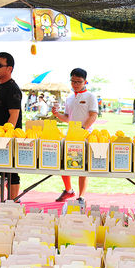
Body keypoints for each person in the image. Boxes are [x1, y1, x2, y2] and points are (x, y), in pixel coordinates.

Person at [52, 67, 98, 203]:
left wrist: (83, 130)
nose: (75, 84)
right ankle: (68, 190)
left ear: (85, 82)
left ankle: (81, 196)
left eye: (78, 82)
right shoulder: (69, 97)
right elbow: (67, 117)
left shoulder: (90, 96)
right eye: (73, 81)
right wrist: (57, 114)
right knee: (64, 163)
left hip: (85, 135)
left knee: (82, 167)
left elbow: (93, 116)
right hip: (71, 134)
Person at [0, 52, 23, 199]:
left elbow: (14, 116)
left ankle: (12, 202)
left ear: (9, 68)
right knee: (1, 170)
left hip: (7, 136)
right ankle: (5, 200)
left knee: (12, 171)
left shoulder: (13, 89)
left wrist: (5, 137)